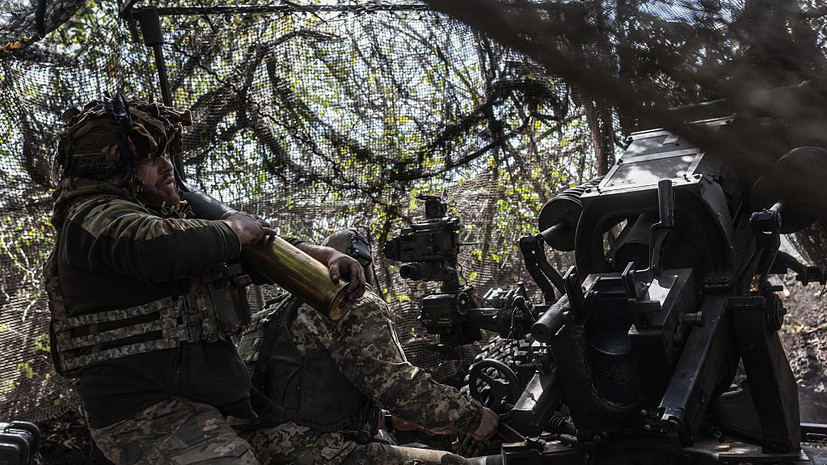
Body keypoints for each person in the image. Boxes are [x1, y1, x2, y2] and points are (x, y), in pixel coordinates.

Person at [43, 93, 365, 465]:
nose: (167, 166)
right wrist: (231, 231)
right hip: (143, 412)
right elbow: (160, 249)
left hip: (188, 403)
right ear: (112, 168)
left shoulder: (163, 216)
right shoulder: (91, 216)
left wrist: (323, 254)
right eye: (149, 158)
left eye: (166, 154)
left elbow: (244, 253)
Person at [235, 229, 499, 465]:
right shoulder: (350, 298)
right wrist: (474, 417)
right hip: (313, 451)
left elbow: (298, 394)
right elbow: (399, 387)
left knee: (390, 440)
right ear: (364, 266)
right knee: (452, 462)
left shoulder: (275, 310)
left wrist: (388, 420)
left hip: (253, 450)